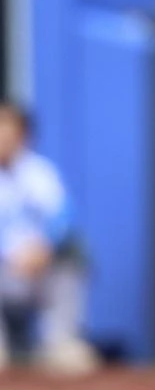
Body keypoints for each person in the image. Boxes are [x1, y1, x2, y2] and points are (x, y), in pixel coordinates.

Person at [0, 106, 92, 375]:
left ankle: (60, 342)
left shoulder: (39, 172)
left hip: (40, 268)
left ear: (22, 135)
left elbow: (63, 218)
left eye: (7, 128)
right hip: (5, 269)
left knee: (73, 256)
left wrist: (43, 248)